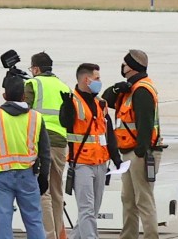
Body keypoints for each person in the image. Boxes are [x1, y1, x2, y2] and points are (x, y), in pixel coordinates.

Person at [0, 73, 52, 239]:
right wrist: (44, 175)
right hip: (28, 175)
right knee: (34, 219)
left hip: (2, 176)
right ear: (24, 96)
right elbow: (45, 152)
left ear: (4, 96)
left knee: (3, 219)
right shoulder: (36, 118)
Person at [103, 50, 161, 239]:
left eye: (125, 63)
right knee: (128, 199)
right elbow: (105, 102)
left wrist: (141, 151)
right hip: (127, 151)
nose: (122, 66)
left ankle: (151, 235)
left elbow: (145, 122)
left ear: (132, 67)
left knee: (143, 199)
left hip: (139, 152)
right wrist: (115, 89)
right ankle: (128, 236)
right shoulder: (130, 88)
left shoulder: (142, 90)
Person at [61, 63, 115, 239]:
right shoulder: (72, 101)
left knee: (93, 210)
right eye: (97, 78)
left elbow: (108, 132)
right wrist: (66, 107)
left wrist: (116, 158)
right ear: (87, 79)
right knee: (87, 209)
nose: (100, 82)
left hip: (100, 163)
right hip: (82, 163)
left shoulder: (100, 103)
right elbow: (66, 123)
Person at [28, 53, 72, 239]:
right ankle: (59, 233)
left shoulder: (33, 84)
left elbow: (25, 112)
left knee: (42, 190)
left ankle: (49, 235)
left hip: (40, 142)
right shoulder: (64, 86)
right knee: (56, 191)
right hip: (61, 143)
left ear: (36, 69)